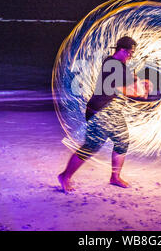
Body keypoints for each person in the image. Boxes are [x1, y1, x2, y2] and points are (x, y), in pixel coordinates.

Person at [58, 36, 151, 193]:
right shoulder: (114, 66)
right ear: (122, 50)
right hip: (99, 111)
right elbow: (129, 90)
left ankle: (115, 177)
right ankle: (65, 177)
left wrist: (140, 85)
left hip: (111, 110)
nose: (132, 56)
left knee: (122, 141)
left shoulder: (114, 63)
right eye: (130, 52)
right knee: (91, 146)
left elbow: (128, 83)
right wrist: (143, 90)